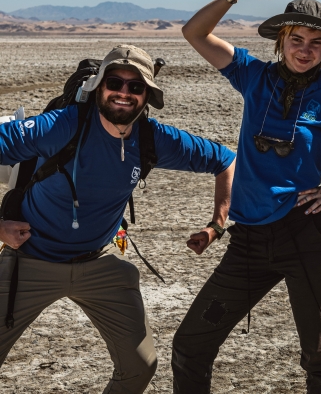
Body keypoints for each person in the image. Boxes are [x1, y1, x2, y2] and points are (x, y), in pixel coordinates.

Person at [171, 0, 321, 394]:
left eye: (315, 43)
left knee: (319, 357)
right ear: (281, 41)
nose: (305, 50)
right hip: (249, 241)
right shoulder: (252, 76)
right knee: (190, 344)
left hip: (308, 235)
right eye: (297, 39)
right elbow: (194, 33)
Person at [0, 44, 235, 394]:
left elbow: (225, 160)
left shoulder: (154, 139)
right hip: (30, 259)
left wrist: (217, 224)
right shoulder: (61, 127)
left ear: (147, 96)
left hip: (99, 264)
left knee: (140, 366)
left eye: (135, 86)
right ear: (98, 87)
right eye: (115, 82)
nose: (124, 93)